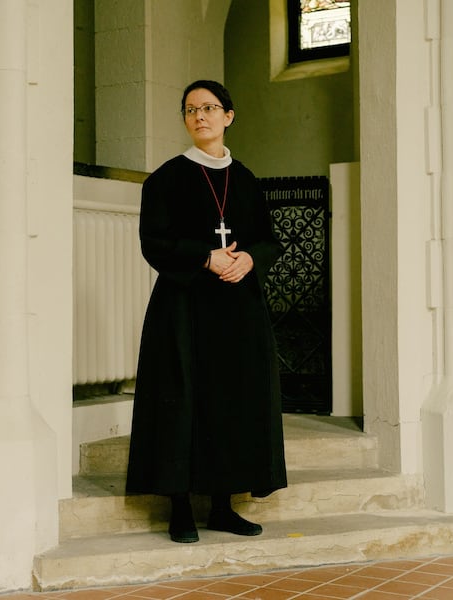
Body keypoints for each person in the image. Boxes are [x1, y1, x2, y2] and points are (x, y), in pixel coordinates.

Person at [125, 80, 288, 543]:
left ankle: (223, 505)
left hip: (238, 310)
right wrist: (206, 257)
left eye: (210, 107)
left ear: (228, 116)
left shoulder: (249, 181)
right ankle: (179, 508)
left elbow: (269, 240)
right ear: (185, 119)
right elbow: (153, 242)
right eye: (191, 109)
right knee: (182, 398)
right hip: (183, 307)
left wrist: (250, 259)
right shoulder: (165, 179)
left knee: (233, 400)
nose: (201, 116)